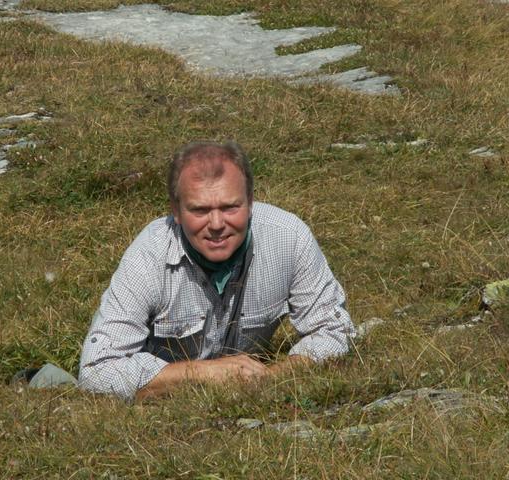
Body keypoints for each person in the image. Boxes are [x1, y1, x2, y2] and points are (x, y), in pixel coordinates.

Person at [78, 141, 354, 401]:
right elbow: (96, 371)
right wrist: (201, 374)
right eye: (200, 210)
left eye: (230, 207)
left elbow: (335, 330)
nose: (217, 224)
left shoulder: (289, 237)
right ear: (176, 210)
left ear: (250, 201)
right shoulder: (148, 256)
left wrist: (274, 376)